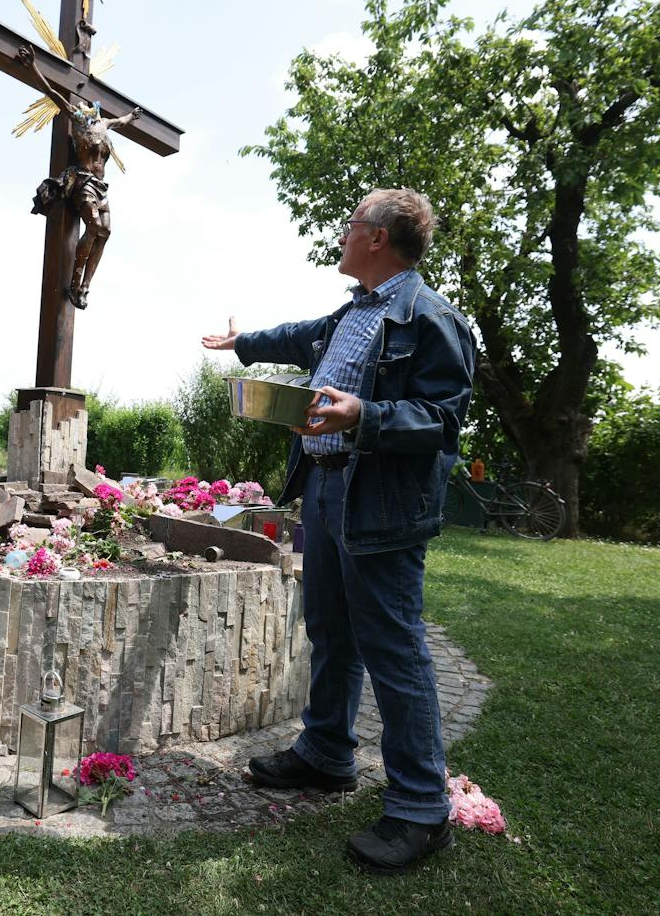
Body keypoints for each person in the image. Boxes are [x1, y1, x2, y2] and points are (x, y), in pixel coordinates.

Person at [201, 188, 475, 874]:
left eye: (352, 223)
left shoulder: (430, 317)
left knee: (395, 648)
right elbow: (297, 337)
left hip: (377, 502)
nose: (344, 233)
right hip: (324, 491)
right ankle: (326, 754)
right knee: (331, 629)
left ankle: (421, 808)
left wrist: (364, 415)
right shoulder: (354, 310)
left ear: (379, 237)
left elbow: (442, 420)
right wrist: (243, 344)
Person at [16, 43, 142, 310]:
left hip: (101, 187)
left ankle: (85, 286)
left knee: (106, 232)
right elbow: (52, 92)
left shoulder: (104, 124)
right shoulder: (76, 117)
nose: (89, 106)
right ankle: (75, 282)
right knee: (94, 228)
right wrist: (33, 67)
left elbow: (121, 121)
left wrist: (132, 115)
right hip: (83, 181)